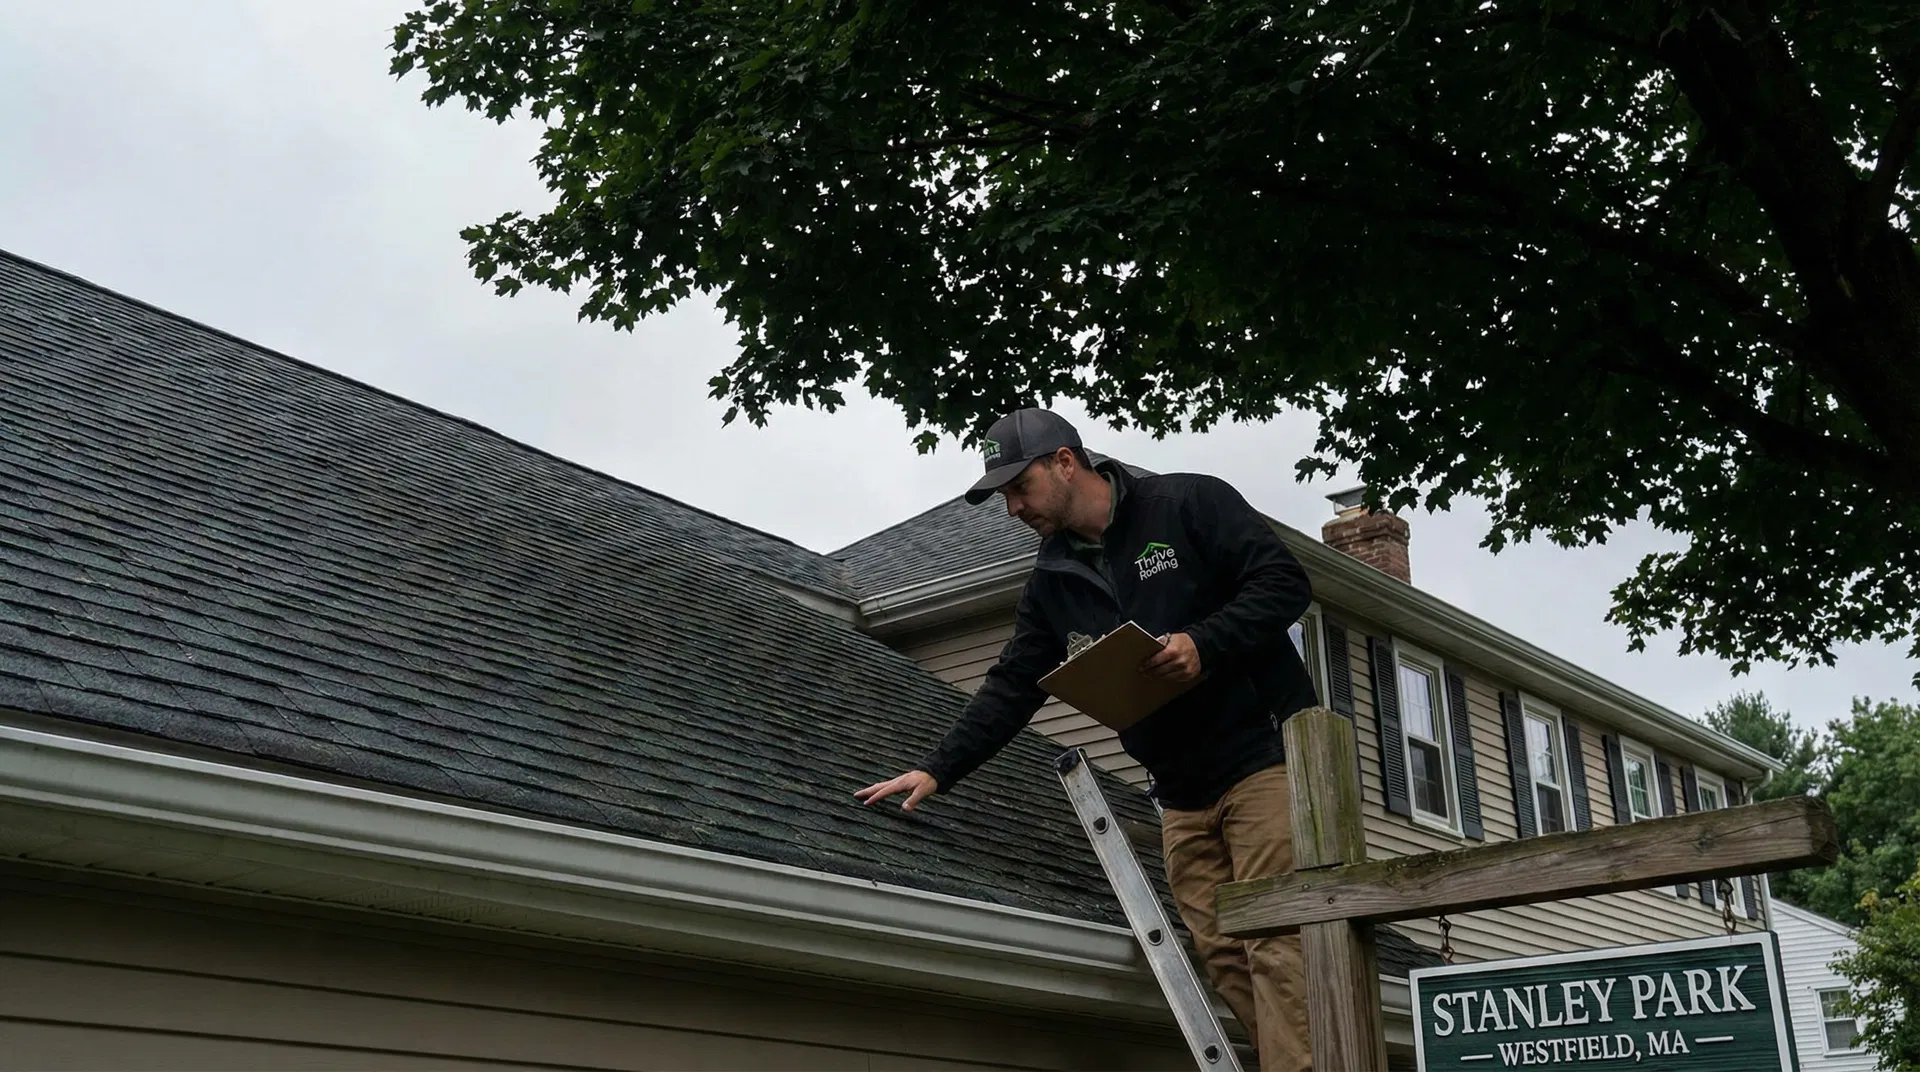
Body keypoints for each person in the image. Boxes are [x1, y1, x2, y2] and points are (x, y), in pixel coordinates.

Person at [855, 407, 1320, 1072]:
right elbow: (1016, 681)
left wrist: (1204, 643)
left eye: (1020, 487)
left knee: (1277, 939)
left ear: (1065, 462)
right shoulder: (1052, 580)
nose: (1013, 507)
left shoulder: (1185, 503)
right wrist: (937, 769)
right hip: (1181, 794)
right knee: (1221, 952)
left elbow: (1285, 583)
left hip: (1264, 757)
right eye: (1003, 496)